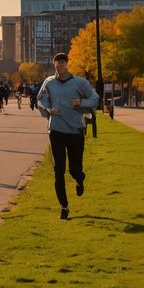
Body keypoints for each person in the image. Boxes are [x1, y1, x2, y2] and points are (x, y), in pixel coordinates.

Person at [36, 52, 100, 220]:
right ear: (54, 64)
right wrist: (49, 110)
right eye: (57, 63)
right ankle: (64, 207)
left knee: (74, 169)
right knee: (58, 170)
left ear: (67, 64)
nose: (59, 66)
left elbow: (95, 99)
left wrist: (82, 103)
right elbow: (40, 100)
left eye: (62, 63)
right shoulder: (49, 82)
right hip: (56, 130)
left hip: (75, 130)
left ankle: (79, 178)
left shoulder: (80, 83)